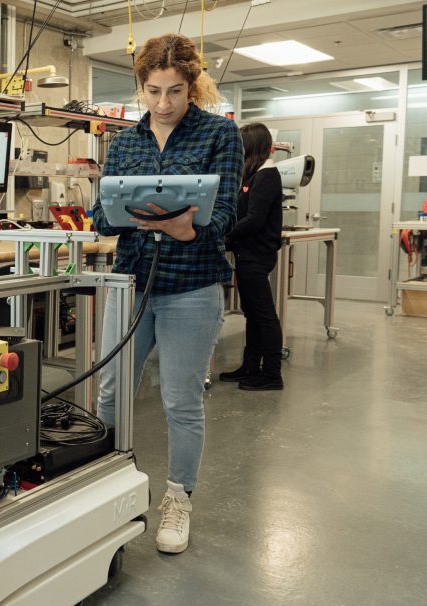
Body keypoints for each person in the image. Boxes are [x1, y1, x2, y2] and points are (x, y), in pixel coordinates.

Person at [92, 33, 242, 554]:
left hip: (191, 286)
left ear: (193, 85)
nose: (164, 103)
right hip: (132, 279)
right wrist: (121, 214)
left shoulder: (220, 136)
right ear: (141, 87)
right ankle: (103, 483)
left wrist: (191, 230)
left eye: (175, 91)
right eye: (154, 91)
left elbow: (224, 211)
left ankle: (178, 498)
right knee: (111, 393)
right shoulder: (125, 143)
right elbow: (98, 214)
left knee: (181, 401)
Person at [221, 123, 285, 391]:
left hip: (257, 255)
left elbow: (255, 219)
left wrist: (224, 235)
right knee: (253, 315)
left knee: (264, 316)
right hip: (247, 253)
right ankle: (250, 366)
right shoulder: (254, 174)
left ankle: (271, 374)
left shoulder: (267, 175)